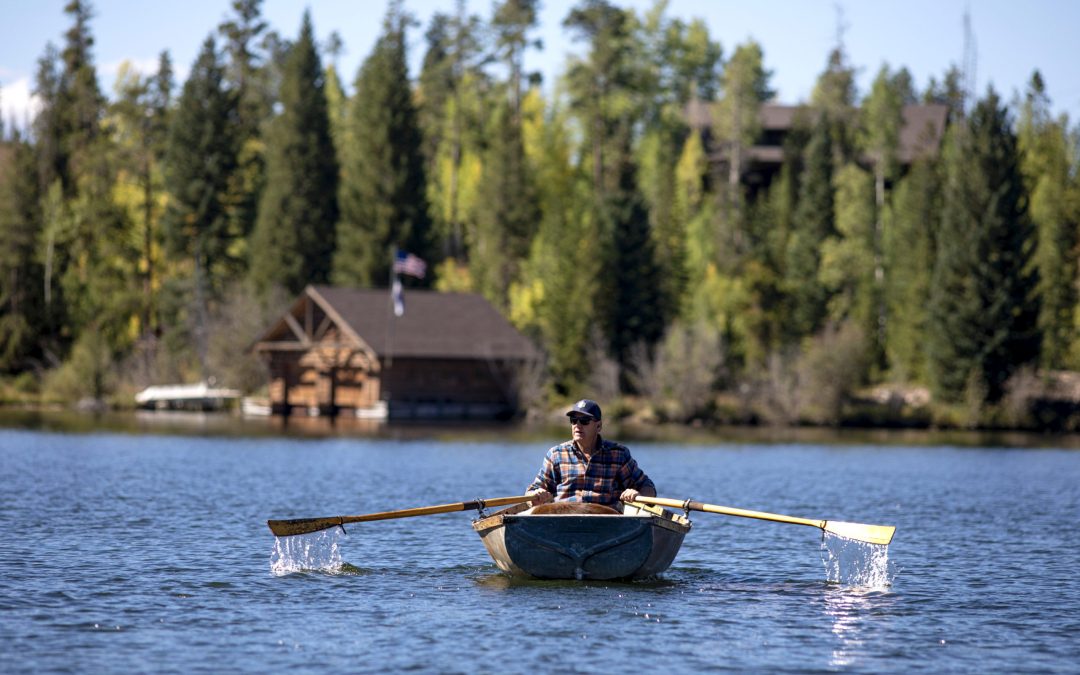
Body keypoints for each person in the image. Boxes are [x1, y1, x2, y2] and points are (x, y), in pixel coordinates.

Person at [526, 399, 656, 508]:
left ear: (598, 426)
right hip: (564, 525)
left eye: (584, 421)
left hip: (606, 526)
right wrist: (536, 495)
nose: (578, 425)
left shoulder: (618, 454)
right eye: (573, 420)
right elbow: (530, 493)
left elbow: (648, 488)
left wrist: (637, 494)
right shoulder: (556, 454)